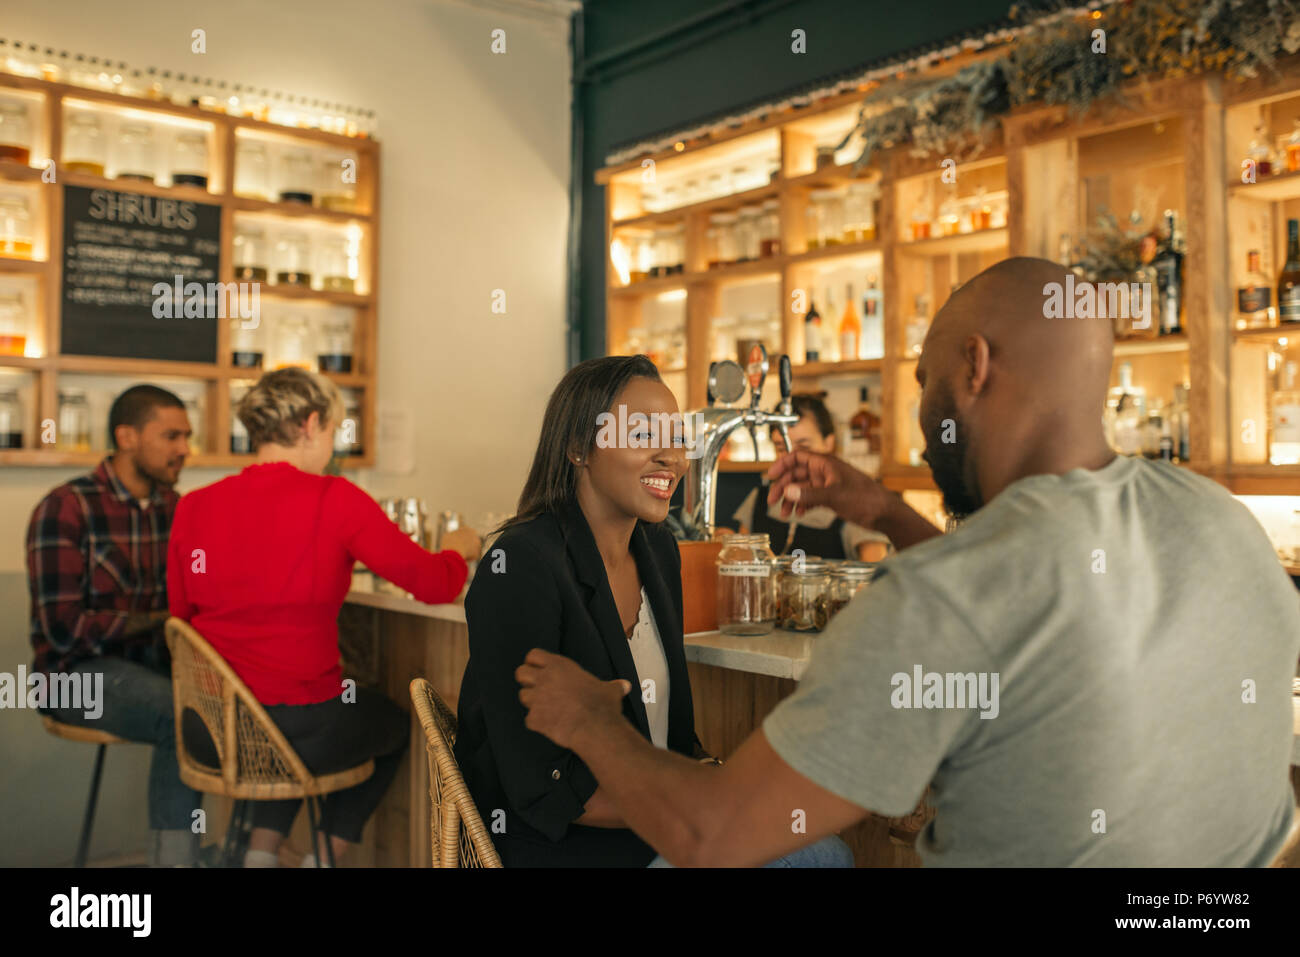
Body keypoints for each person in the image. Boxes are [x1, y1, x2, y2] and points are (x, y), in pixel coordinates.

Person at [512, 257, 1300, 867]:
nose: (922, 415)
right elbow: (1038, 600)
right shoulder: (1221, 524)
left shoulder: (937, 599)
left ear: (974, 366)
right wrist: (886, 512)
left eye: (923, 381)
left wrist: (590, 720)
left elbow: (710, 834)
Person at [454, 355, 853, 867]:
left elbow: (671, 742)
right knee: (817, 858)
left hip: (653, 828)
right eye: (642, 435)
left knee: (821, 851)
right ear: (578, 446)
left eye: (676, 436)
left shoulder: (658, 551)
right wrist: (705, 800)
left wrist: (714, 787)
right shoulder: (521, 567)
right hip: (561, 846)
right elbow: (540, 788)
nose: (672, 457)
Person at [167, 368, 477, 867]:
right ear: (311, 424)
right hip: (296, 730)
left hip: (210, 727)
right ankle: (322, 860)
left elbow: (180, 617)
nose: (332, 445)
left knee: (289, 709)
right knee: (389, 724)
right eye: (333, 430)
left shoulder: (194, 506)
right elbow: (436, 584)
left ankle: (260, 857)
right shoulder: (335, 498)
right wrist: (458, 548)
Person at [27, 384, 201, 867]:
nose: (185, 449)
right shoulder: (65, 507)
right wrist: (161, 620)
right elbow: (63, 629)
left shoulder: (178, 509)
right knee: (181, 712)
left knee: (247, 699)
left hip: (154, 671)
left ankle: (244, 853)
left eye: (187, 436)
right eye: (171, 436)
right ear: (126, 436)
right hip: (72, 677)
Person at [732, 392, 890, 561]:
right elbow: (742, 565)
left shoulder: (853, 504)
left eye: (803, 446)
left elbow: (878, 574)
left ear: (828, 443)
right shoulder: (759, 498)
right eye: (780, 447)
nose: (791, 457)